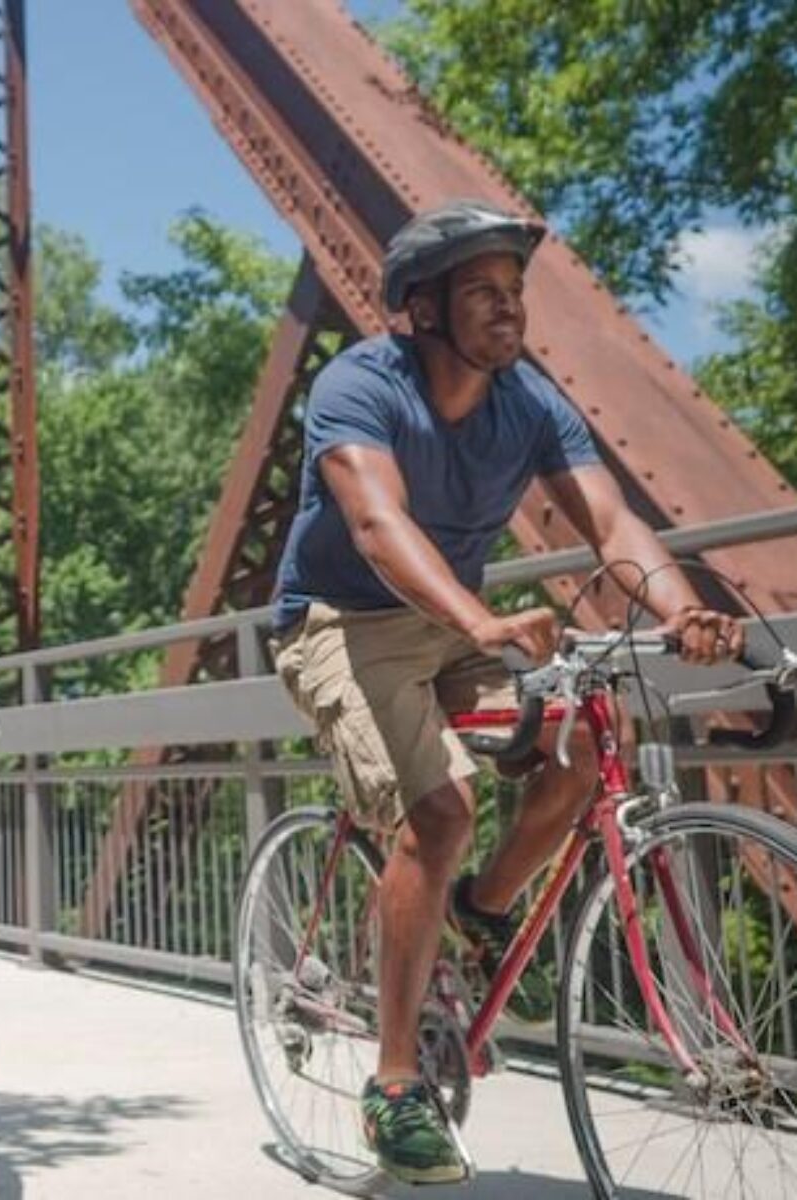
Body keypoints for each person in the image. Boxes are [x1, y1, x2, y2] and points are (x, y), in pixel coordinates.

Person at [268, 199, 742, 1185]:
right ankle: (396, 1087)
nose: (508, 309)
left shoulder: (529, 403)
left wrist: (686, 609)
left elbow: (613, 526)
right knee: (440, 809)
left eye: (515, 291)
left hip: (448, 624)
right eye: (483, 291)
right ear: (423, 309)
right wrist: (481, 621)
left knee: (578, 749)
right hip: (340, 626)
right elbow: (375, 526)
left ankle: (482, 915)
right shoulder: (359, 383)